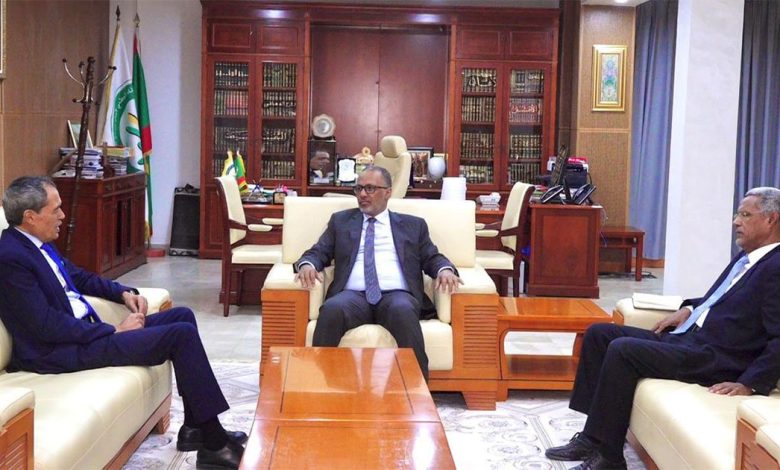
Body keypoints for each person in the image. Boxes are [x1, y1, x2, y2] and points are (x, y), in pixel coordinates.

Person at [0, 176, 246, 469]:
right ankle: (214, 445)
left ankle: (195, 427)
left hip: (82, 335)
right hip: (57, 352)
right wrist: (114, 329)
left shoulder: (37, 243)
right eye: (56, 210)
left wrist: (124, 293)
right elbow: (46, 325)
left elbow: (80, 277)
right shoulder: (11, 258)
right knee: (180, 335)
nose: (63, 216)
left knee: (182, 316)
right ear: (30, 217)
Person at [545, 187, 780, 470]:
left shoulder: (775, 267)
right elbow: (724, 298)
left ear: (771, 219)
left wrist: (749, 383)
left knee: (623, 350)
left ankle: (610, 458)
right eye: (737, 214)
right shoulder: (749, 257)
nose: (735, 221)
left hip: (715, 357)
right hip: (690, 339)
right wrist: (689, 308)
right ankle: (592, 438)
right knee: (599, 333)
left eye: (745, 215)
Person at [294, 165, 462, 378]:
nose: (363, 194)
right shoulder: (341, 222)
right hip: (353, 296)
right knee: (332, 309)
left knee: (403, 310)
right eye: (359, 188)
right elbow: (319, 252)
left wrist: (444, 270)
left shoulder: (413, 225)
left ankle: (416, 388)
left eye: (370, 188)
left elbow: (431, 256)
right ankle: (320, 383)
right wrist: (307, 264)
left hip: (396, 295)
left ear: (388, 192)